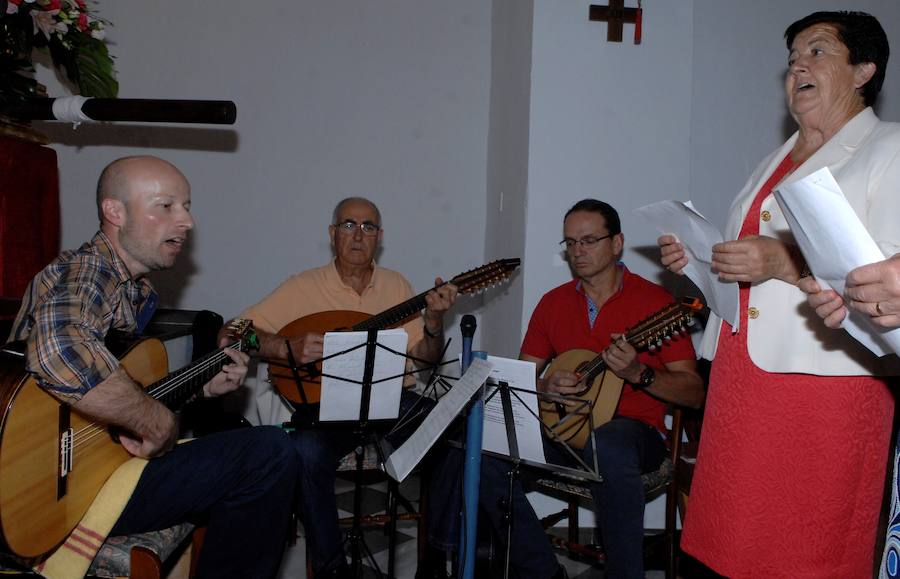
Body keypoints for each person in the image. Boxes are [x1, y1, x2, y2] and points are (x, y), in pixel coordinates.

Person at [658, 11, 900, 577]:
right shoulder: (778, 158)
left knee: (802, 551)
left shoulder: (888, 149)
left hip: (826, 383)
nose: (797, 65)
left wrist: (786, 262)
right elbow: (751, 277)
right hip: (743, 378)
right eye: (793, 57)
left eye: (817, 52)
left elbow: (885, 280)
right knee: (727, 547)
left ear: (864, 69)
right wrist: (703, 263)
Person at [8, 156, 298, 578]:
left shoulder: (137, 290)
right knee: (269, 453)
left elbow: (123, 386)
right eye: (166, 206)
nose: (187, 221)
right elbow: (59, 351)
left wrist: (201, 388)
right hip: (44, 485)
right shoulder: (92, 270)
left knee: (251, 450)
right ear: (115, 211)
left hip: (89, 469)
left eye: (187, 206)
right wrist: (151, 417)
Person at [431, 199, 704, 579]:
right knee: (481, 449)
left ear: (618, 243)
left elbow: (694, 392)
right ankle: (542, 570)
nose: (578, 251)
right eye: (570, 243)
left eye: (589, 240)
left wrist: (640, 373)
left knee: (607, 444)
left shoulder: (656, 303)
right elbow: (520, 379)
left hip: (634, 433)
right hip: (566, 429)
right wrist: (544, 386)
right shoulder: (553, 303)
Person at [232, 197, 458, 578]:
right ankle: (331, 568)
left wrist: (434, 321)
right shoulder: (302, 287)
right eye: (349, 225)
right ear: (332, 234)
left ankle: (435, 558)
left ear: (379, 237)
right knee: (303, 452)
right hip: (326, 406)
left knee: (452, 433)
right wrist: (284, 346)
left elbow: (428, 357)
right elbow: (234, 332)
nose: (358, 235)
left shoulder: (397, 285)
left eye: (368, 227)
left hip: (391, 397)